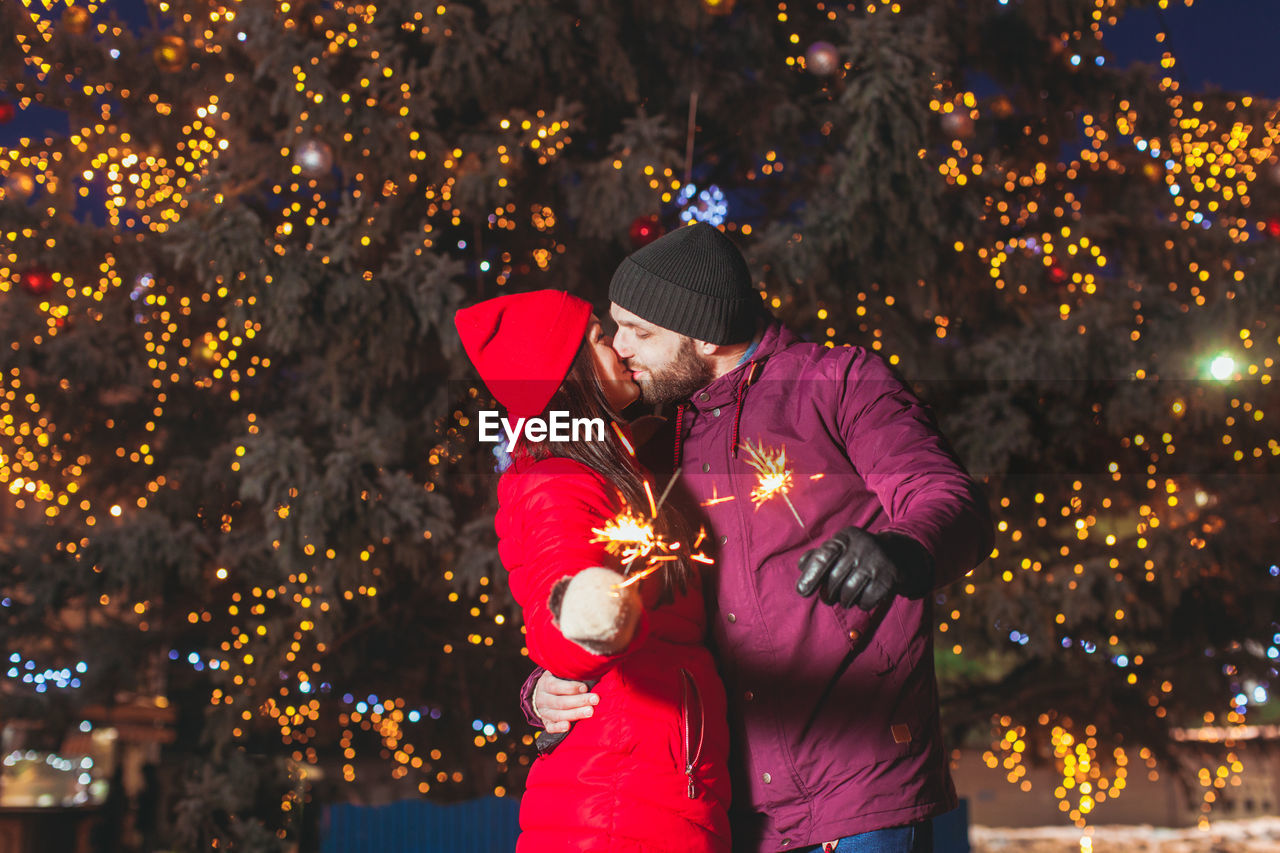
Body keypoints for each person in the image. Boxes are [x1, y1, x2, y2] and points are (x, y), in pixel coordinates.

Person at [526, 224, 995, 853]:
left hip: (855, 792)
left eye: (642, 331)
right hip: (730, 807)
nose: (621, 348)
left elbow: (945, 497)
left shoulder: (834, 382)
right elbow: (617, 597)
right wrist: (545, 687)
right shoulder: (657, 446)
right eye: (616, 327)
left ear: (704, 334)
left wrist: (901, 550)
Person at [454, 289, 732, 853]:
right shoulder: (562, 481)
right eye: (604, 341)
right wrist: (593, 611)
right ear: (572, 376)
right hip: (617, 804)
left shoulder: (616, 468)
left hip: (642, 789)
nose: (622, 350)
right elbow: (564, 607)